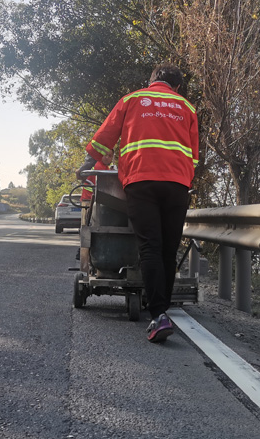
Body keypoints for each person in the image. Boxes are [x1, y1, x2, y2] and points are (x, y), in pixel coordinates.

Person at [83, 63, 198, 343]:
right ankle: (161, 309)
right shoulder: (187, 108)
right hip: (177, 184)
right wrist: (181, 178)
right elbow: (193, 156)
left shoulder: (132, 99)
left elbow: (105, 137)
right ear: (177, 87)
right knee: (168, 249)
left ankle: (159, 315)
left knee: (150, 246)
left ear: (151, 81)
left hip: (141, 181)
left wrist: (88, 164)